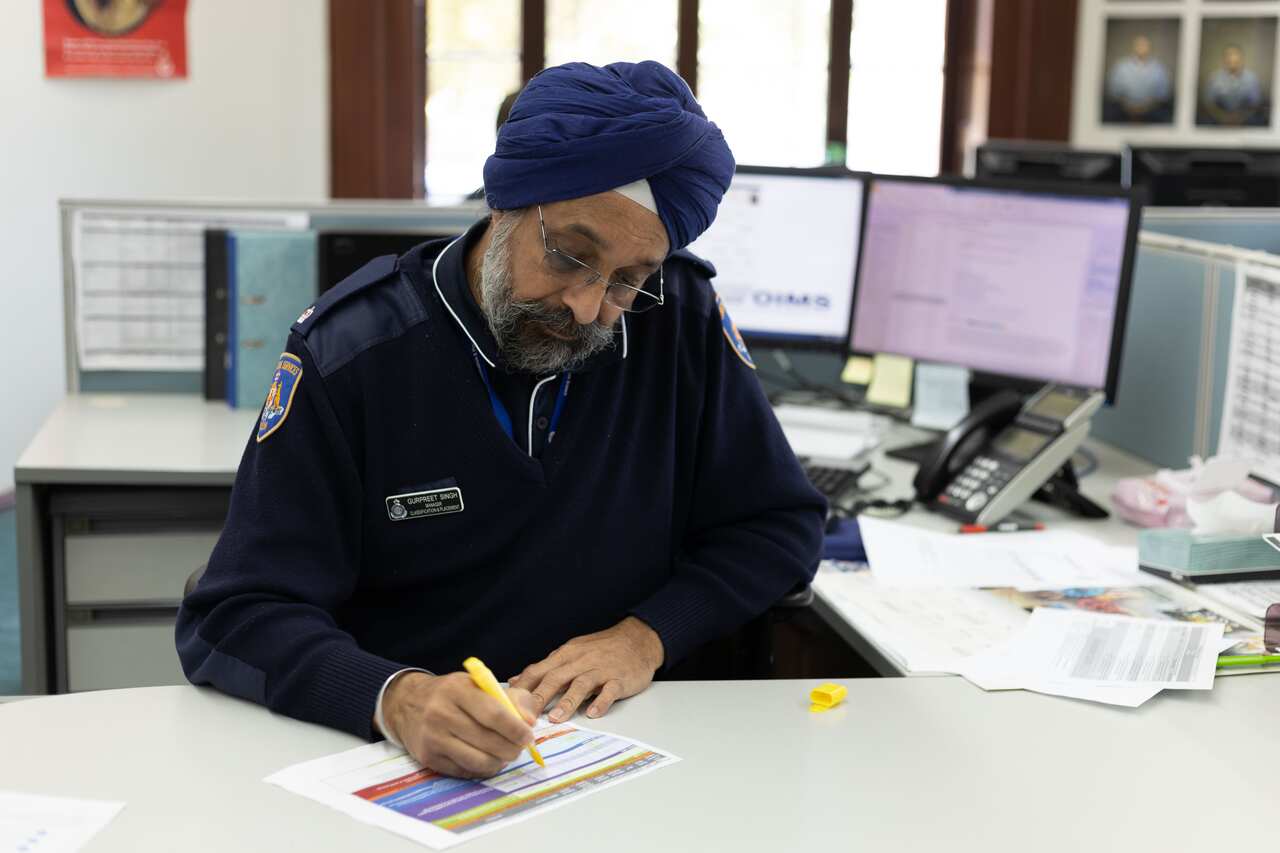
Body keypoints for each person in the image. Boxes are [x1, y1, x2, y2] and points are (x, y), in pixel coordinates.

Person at [176, 60, 826, 780]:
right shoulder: (352, 354)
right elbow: (234, 612)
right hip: (415, 771)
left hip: (629, 754)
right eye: (571, 255)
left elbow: (777, 526)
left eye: (629, 280)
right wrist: (393, 697)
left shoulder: (682, 322)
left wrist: (646, 638)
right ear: (507, 204)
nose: (587, 307)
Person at [1104, 34, 1173, 123]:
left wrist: (1146, 108)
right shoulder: (1121, 66)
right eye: (1139, 45)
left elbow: (1163, 94)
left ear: (1149, 48)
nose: (1142, 48)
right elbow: (1113, 92)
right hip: (1123, 111)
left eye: (1144, 46)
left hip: (1152, 112)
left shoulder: (1159, 68)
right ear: (1134, 47)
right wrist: (1129, 108)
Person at [1202, 44, 1265, 126]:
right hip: (1218, 120)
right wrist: (1223, 117)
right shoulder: (1214, 78)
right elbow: (1209, 104)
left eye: (1235, 58)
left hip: (1246, 121)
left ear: (1241, 60)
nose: (1232, 60)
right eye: (1229, 57)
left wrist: (1241, 118)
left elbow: (1256, 104)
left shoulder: (1252, 78)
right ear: (1224, 60)